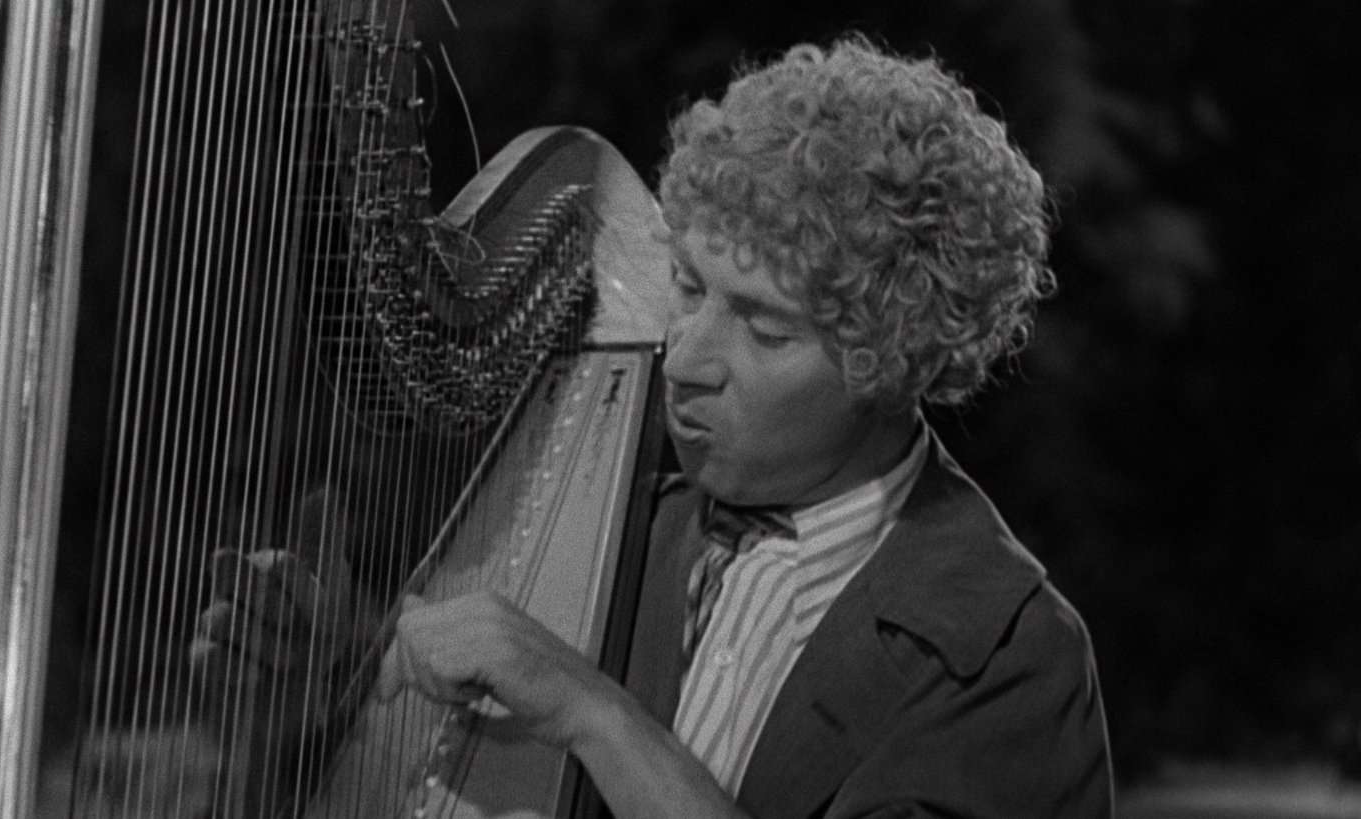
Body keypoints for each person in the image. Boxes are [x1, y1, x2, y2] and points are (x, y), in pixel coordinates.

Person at [377, 33, 1113, 819]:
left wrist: (594, 713)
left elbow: (576, 708)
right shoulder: (629, 528)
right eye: (689, 288)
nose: (684, 359)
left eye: (764, 330)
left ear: (893, 362)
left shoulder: (1007, 654)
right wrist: (308, 686)